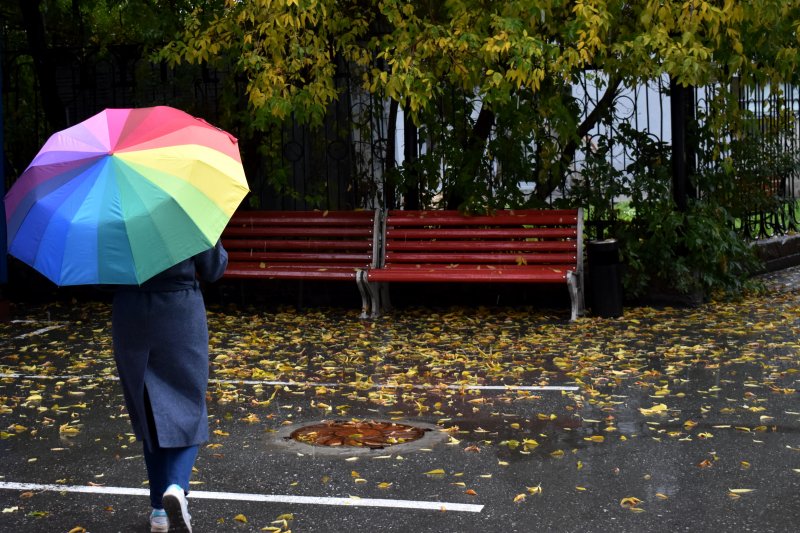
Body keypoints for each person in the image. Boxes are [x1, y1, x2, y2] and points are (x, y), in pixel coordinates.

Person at [111, 241, 228, 533]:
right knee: (188, 401)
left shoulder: (112, 220)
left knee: (146, 405)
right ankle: (176, 486)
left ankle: (159, 511)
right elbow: (213, 269)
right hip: (178, 311)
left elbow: (102, 281)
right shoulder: (184, 215)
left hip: (130, 313)